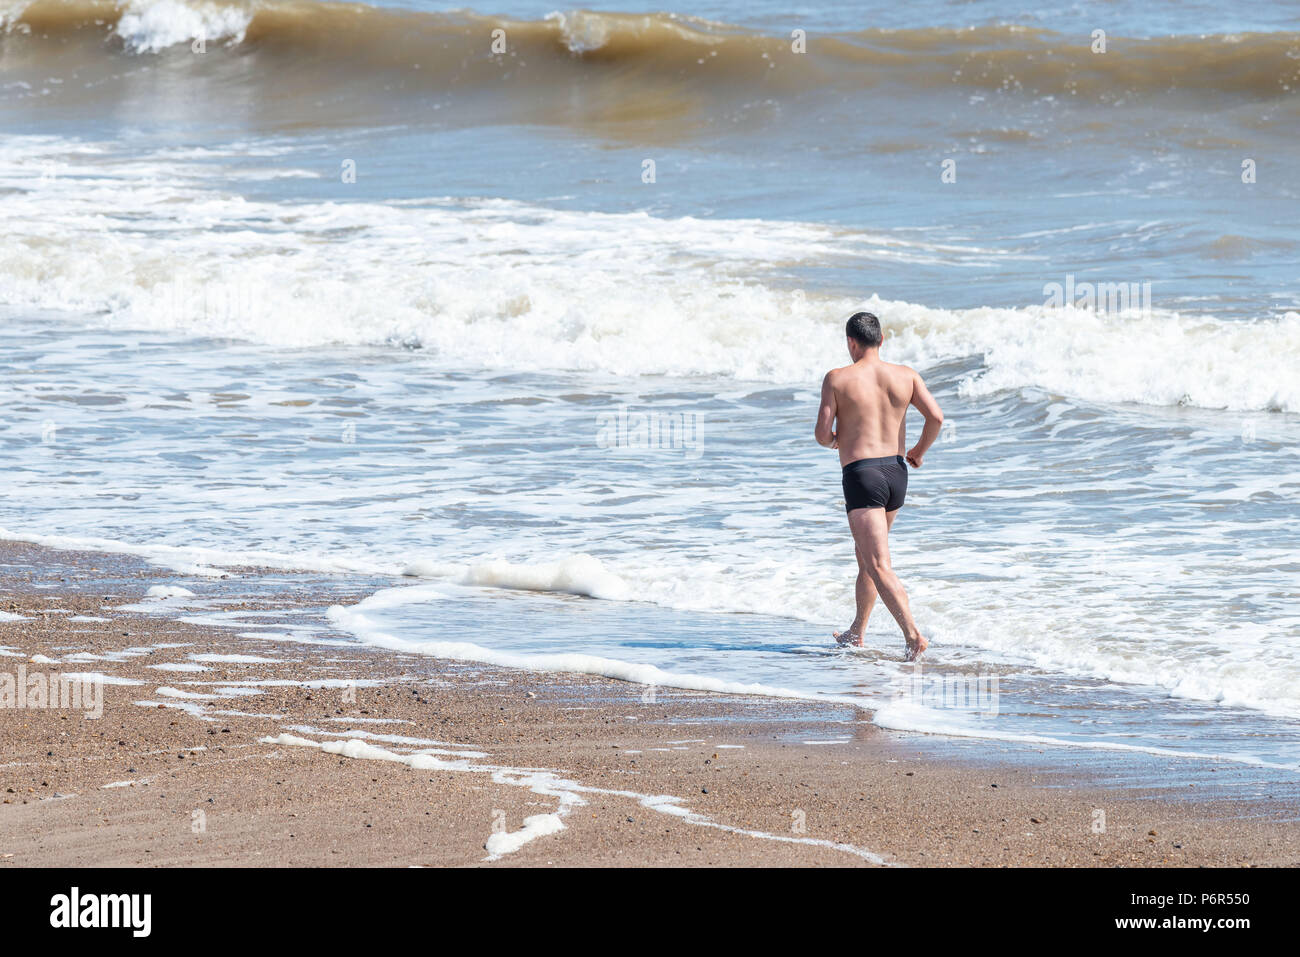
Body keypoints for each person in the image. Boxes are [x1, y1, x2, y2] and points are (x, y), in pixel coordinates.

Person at [814, 311, 943, 660]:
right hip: (896, 473)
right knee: (866, 558)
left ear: (851, 343)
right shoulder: (906, 376)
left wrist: (836, 441)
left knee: (878, 563)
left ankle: (913, 636)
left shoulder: (837, 378)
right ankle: (857, 632)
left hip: (863, 476)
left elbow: (822, 435)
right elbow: (936, 417)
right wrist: (918, 451)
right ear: (881, 340)